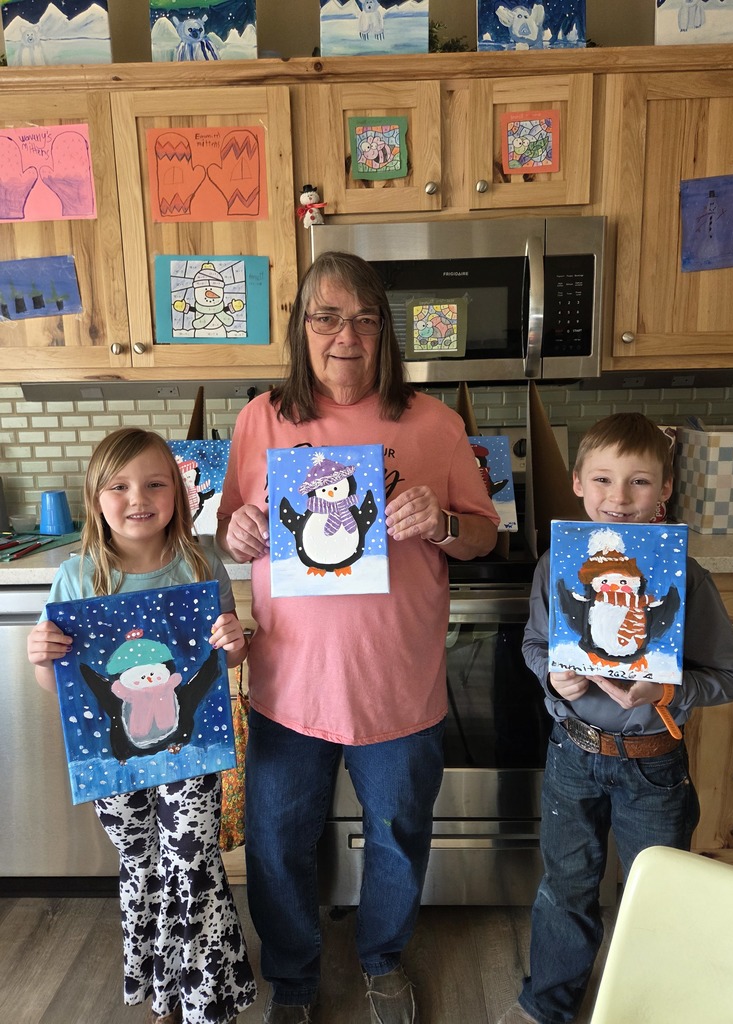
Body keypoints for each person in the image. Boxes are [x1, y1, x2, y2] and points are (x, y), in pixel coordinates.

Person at [216, 250, 500, 1024]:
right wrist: (236, 529)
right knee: (277, 844)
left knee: (399, 836)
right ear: (302, 329)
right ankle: (297, 981)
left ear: (386, 333)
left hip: (399, 690)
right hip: (288, 686)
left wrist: (442, 523)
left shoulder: (435, 424)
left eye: (365, 319)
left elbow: (484, 536)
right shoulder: (261, 418)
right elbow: (229, 527)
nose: (347, 335)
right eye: (328, 317)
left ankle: (382, 960)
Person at [499, 412, 733, 1024]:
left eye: (639, 482)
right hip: (572, 755)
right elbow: (536, 645)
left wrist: (666, 690)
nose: (620, 498)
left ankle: (652, 1005)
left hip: (653, 767)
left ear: (664, 488)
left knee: (659, 897)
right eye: (604, 480)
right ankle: (547, 1006)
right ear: (581, 486)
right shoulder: (554, 568)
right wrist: (553, 676)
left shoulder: (685, 576)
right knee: (565, 887)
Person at [27, 428, 257, 1024]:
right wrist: (42, 660)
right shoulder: (78, 579)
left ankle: (207, 997)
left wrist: (235, 644)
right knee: (142, 865)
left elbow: (220, 661)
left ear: (178, 493)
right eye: (120, 486)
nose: (139, 498)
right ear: (95, 497)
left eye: (156, 483)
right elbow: (66, 690)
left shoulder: (201, 565)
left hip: (191, 750)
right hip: (115, 762)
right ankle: (164, 988)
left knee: (192, 860)